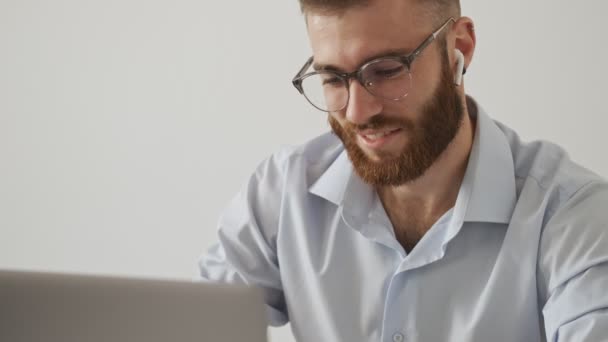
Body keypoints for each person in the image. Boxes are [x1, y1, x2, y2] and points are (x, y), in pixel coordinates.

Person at [199, 0, 608, 340]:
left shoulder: (572, 216)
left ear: (459, 49)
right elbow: (196, 327)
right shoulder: (283, 192)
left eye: (386, 70)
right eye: (333, 78)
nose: (358, 112)